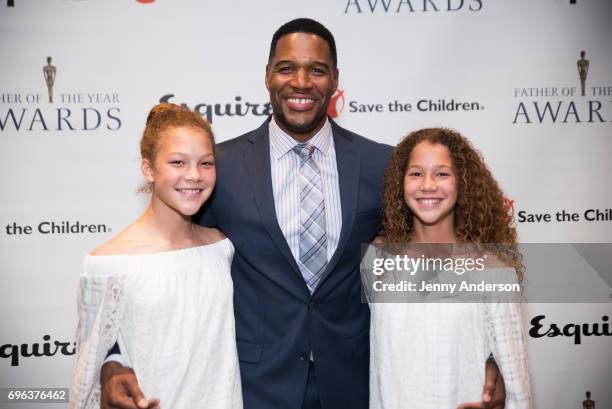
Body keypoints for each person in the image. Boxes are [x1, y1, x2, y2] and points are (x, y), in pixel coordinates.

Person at [100, 19, 508, 409]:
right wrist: (114, 360)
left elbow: (431, 258)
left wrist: (485, 351)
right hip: (253, 385)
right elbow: (170, 269)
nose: (300, 82)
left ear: (334, 79)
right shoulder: (216, 167)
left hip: (358, 382)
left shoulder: (382, 164)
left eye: (316, 70)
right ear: (266, 76)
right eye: (286, 68)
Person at [70, 103, 242, 409]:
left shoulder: (221, 247)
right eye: (178, 162)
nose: (194, 175)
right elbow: (87, 382)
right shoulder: (107, 263)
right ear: (148, 169)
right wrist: (112, 368)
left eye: (205, 163)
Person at [368, 128, 533, 408]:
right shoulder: (377, 258)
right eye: (416, 173)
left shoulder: (492, 269)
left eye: (442, 173)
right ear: (400, 182)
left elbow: (517, 385)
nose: (428, 185)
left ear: (462, 183)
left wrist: (494, 370)